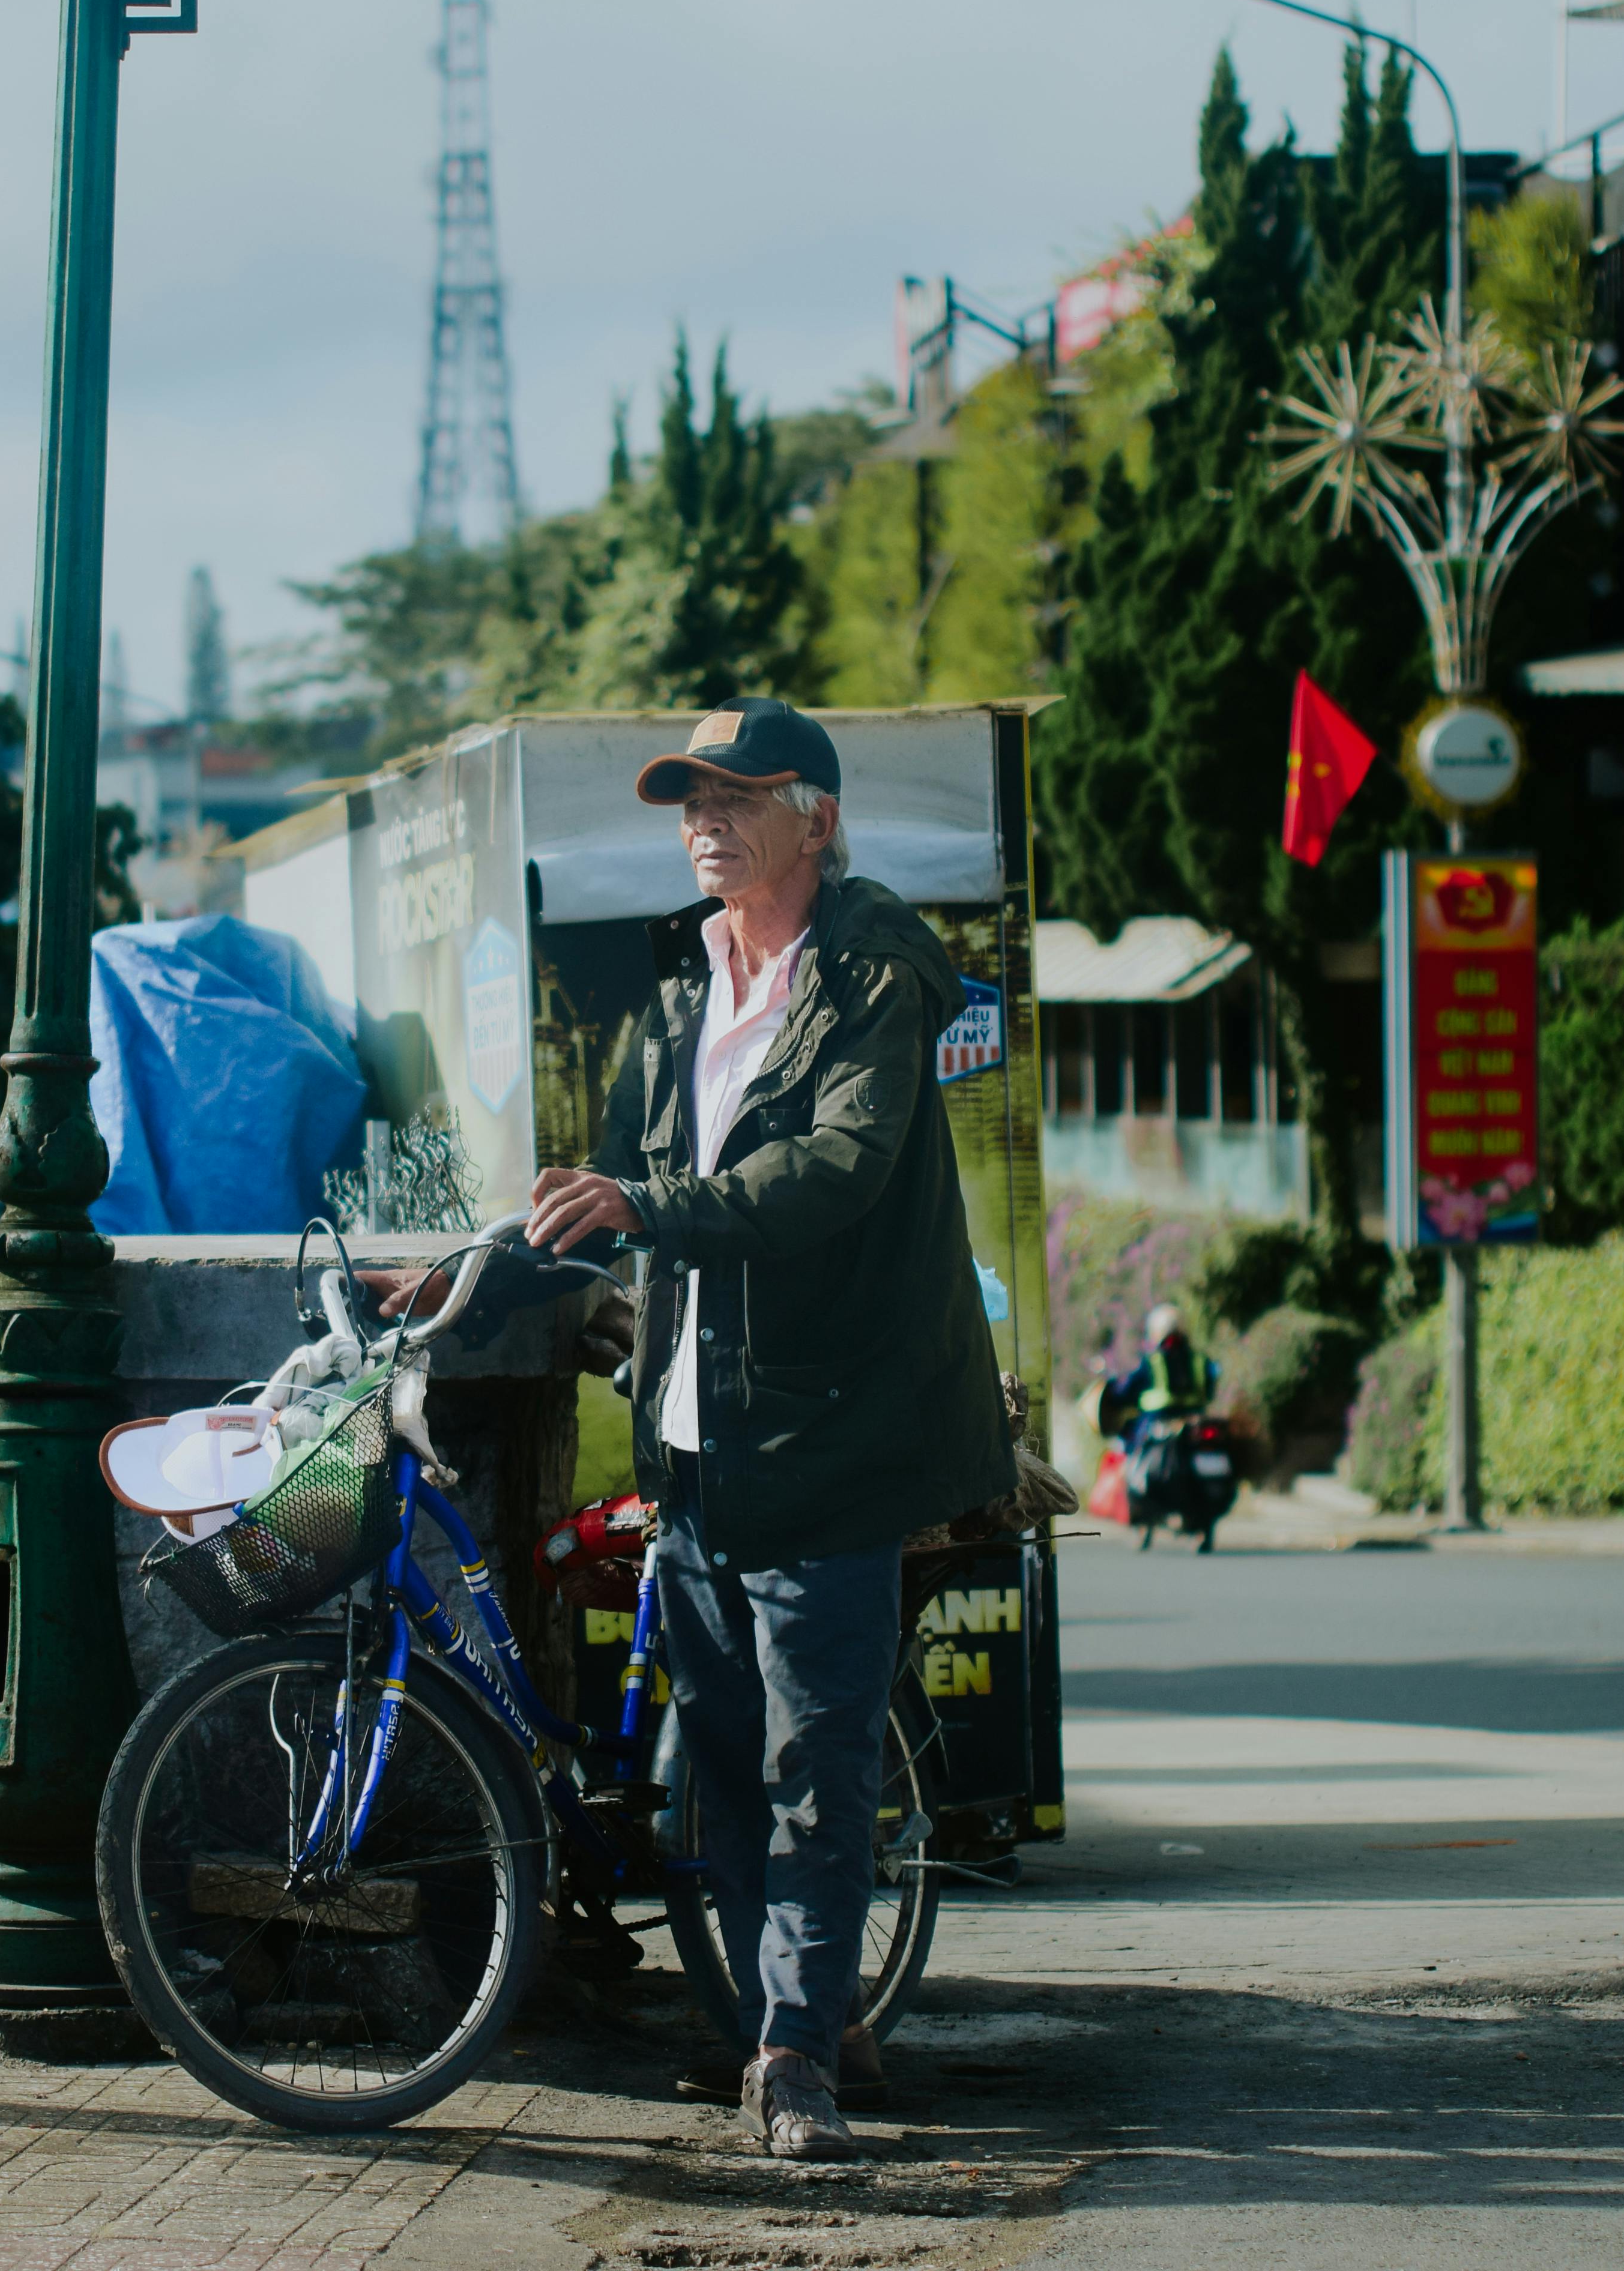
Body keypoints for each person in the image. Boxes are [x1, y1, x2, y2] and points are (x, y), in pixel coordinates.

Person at [524, 696, 1012, 2160]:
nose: (703, 822)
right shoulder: (680, 999)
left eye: (737, 796)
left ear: (820, 817)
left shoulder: (872, 969)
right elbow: (602, 1183)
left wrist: (647, 1207)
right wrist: (468, 1261)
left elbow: (840, 1167)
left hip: (827, 1446)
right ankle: (789, 2024)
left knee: (819, 1774)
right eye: (689, 798)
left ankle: (792, 2058)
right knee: (716, 1775)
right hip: (693, 1449)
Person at [1099, 1303, 1221, 1546]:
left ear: (1155, 1332)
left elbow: (1126, 1390)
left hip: (1157, 1427)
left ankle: (1143, 1518)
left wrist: (1113, 1390)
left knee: (1131, 1454)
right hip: (1196, 1424)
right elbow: (1211, 1385)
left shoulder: (1152, 1362)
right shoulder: (1200, 1360)